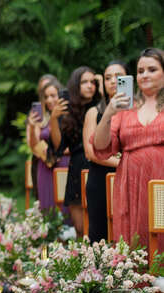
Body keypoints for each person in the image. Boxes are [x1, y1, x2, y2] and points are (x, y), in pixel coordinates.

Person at [93, 48, 164, 251]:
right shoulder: (126, 108)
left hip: (162, 182)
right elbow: (101, 147)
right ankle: (136, 281)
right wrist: (108, 114)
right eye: (140, 71)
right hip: (131, 184)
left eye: (152, 69)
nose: (144, 75)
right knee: (136, 239)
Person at [50, 66, 99, 235]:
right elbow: (59, 146)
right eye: (84, 82)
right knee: (79, 227)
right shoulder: (68, 110)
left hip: (98, 165)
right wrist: (54, 118)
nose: (89, 86)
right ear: (75, 85)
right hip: (77, 167)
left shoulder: (102, 107)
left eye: (93, 82)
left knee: (97, 225)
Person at [83, 60, 126, 242]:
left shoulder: (138, 111)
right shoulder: (94, 112)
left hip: (129, 179)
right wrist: (125, 163)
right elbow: (90, 153)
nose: (113, 81)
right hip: (100, 179)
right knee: (100, 236)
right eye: (108, 77)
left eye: (118, 77)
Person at [27, 74, 69, 210]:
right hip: (45, 166)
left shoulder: (69, 115)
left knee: (66, 208)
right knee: (47, 206)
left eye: (53, 95)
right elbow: (34, 145)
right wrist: (33, 126)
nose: (49, 100)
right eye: (46, 97)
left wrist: (59, 152)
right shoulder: (41, 118)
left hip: (64, 164)